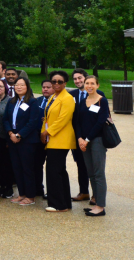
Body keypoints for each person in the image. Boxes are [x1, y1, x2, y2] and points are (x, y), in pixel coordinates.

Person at [69, 68, 106, 204]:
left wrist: (88, 138)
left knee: (96, 168)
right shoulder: (71, 94)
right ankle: (84, 191)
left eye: (80, 78)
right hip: (78, 136)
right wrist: (79, 137)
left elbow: (102, 119)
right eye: (75, 79)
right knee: (81, 164)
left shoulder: (99, 96)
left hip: (94, 137)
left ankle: (96, 196)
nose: (78, 81)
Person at [3, 78, 42, 206]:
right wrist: (10, 133)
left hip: (27, 140)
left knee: (27, 168)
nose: (19, 87)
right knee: (17, 168)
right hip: (12, 139)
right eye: (17, 85)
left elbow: (33, 122)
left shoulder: (32, 101)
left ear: (27, 86)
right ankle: (22, 194)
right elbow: (5, 120)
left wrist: (19, 135)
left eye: (22, 85)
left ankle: (30, 196)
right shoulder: (11, 101)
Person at [41, 70, 75, 213]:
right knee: (60, 171)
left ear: (65, 83)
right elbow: (48, 117)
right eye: (54, 81)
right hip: (53, 138)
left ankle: (58, 204)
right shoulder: (54, 97)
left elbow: (63, 119)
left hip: (61, 139)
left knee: (53, 171)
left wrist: (47, 132)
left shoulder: (67, 98)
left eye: (60, 82)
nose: (56, 84)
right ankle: (65, 202)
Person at [77, 75, 109, 216]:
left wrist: (87, 139)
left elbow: (100, 123)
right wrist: (79, 139)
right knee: (91, 173)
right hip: (83, 142)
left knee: (98, 173)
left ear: (97, 85)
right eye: (87, 83)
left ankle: (100, 206)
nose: (89, 86)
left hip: (96, 141)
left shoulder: (102, 101)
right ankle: (95, 201)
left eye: (92, 83)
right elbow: (76, 121)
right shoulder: (83, 102)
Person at [0, 79, 15, 199]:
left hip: (6, 137)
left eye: (1, 86)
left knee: (7, 164)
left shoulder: (10, 101)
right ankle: (2, 186)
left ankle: (9, 187)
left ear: (5, 88)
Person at [34, 80, 53, 199]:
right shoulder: (37, 101)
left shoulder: (56, 101)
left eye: (48, 87)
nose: (45, 89)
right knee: (37, 164)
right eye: (44, 87)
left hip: (52, 138)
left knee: (51, 166)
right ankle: (38, 188)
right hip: (39, 138)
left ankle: (51, 191)